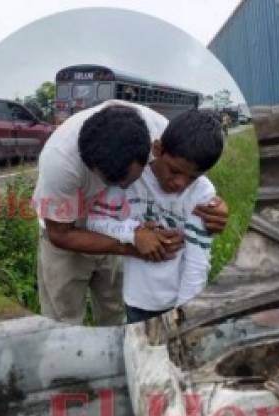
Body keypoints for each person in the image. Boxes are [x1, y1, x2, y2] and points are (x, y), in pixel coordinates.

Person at [32, 100, 228, 325]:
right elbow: (60, 234)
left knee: (113, 310)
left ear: (152, 151)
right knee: (62, 318)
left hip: (120, 222)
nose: (124, 189)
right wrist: (133, 240)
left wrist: (214, 206)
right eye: (113, 183)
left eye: (131, 181)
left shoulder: (159, 132)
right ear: (91, 167)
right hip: (69, 225)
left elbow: (191, 171)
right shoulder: (60, 163)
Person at [85, 109, 222, 323]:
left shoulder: (202, 195)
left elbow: (197, 262)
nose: (180, 183)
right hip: (136, 300)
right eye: (174, 171)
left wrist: (184, 313)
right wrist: (134, 233)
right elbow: (95, 220)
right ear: (157, 149)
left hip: (178, 300)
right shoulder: (132, 178)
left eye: (192, 177)